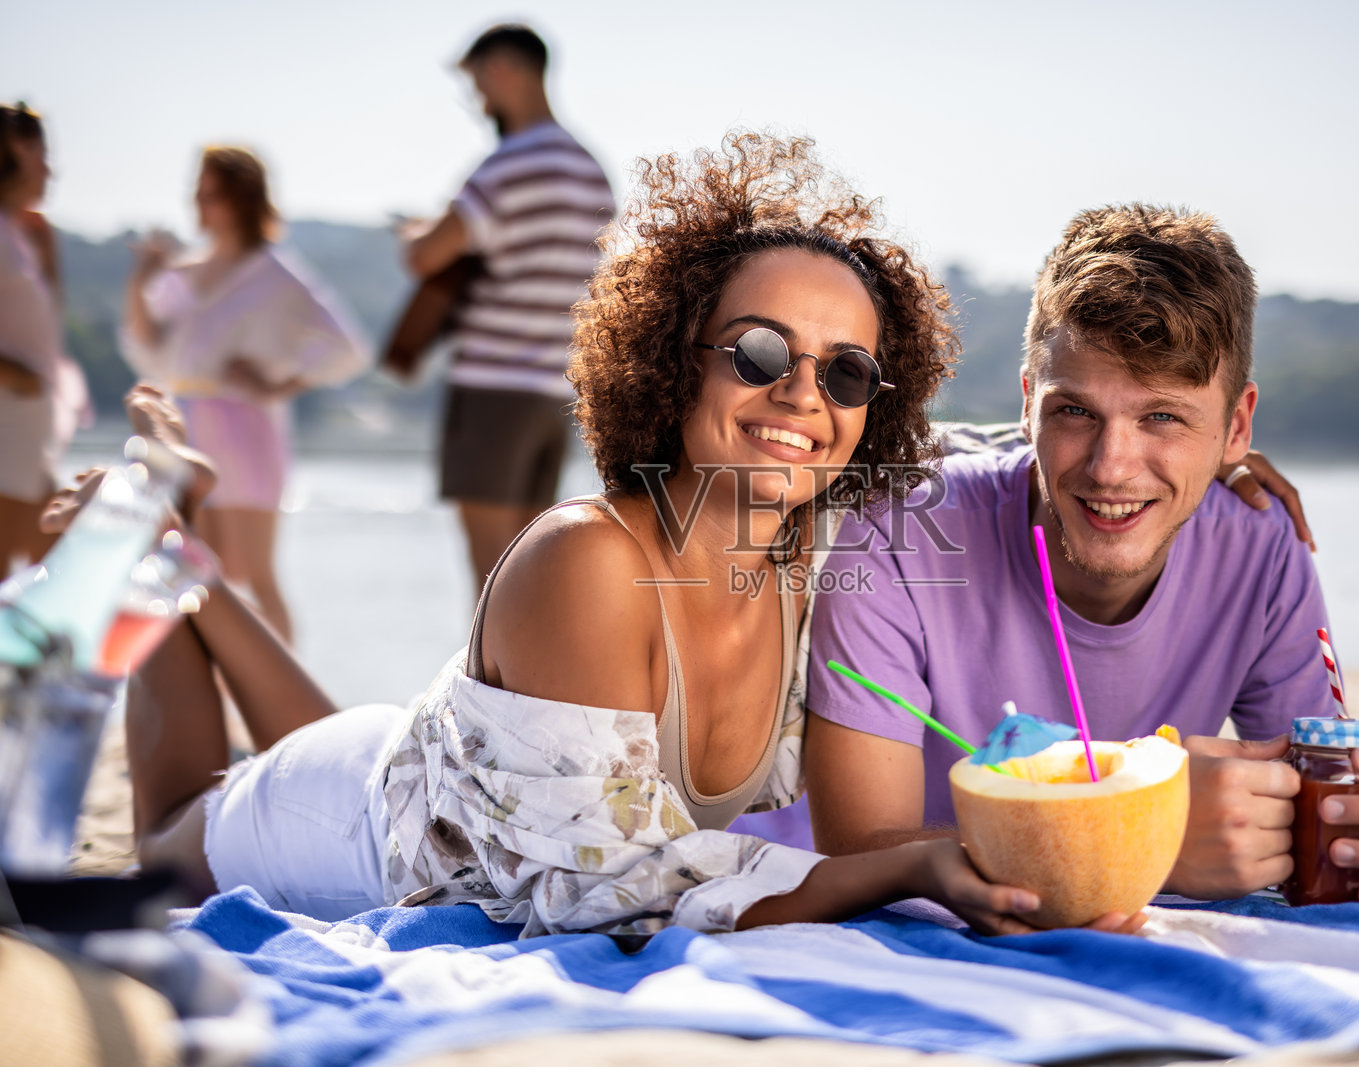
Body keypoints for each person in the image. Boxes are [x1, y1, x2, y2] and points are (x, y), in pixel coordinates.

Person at [94, 133, 1138, 940]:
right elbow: (599, 886)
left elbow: (978, 454)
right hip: (339, 824)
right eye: (761, 349)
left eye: (847, 372)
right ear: (669, 354)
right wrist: (905, 864)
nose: (801, 395)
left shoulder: (822, 531)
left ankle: (193, 556)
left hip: (450, 764)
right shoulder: (587, 562)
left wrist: (1186, 457)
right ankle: (160, 526)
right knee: (174, 828)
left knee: (385, 746)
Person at [790, 204, 1359, 909]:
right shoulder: (901, 535)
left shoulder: (1260, 540)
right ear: (1028, 405)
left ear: (1236, 426)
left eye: (1163, 417)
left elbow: (1319, 809)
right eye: (1076, 411)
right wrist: (1147, 833)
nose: (1112, 468)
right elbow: (854, 845)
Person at [390, 23, 616, 591]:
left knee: (488, 574)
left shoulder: (508, 164)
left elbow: (425, 255)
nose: (479, 102)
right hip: (554, 392)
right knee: (527, 570)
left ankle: (483, 680)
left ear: (503, 71)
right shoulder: (593, 173)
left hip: (493, 388)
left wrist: (412, 234)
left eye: (478, 86)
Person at [121, 146, 372, 642]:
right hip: (184, 427)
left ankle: (282, 705)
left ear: (242, 197)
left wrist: (279, 382)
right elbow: (146, 350)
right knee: (191, 571)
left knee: (257, 576)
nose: (200, 203)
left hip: (247, 428)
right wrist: (140, 283)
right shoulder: (182, 272)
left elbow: (348, 348)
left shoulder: (275, 273)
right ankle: (214, 697)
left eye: (211, 193)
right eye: (198, 192)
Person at [0, 102, 89, 577]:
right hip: (6, 432)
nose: (50, 169)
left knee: (58, 569)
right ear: (11, 151)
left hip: (26, 440)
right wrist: (13, 373)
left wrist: (49, 254)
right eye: (39, 152)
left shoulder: (19, 234)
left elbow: (48, 326)